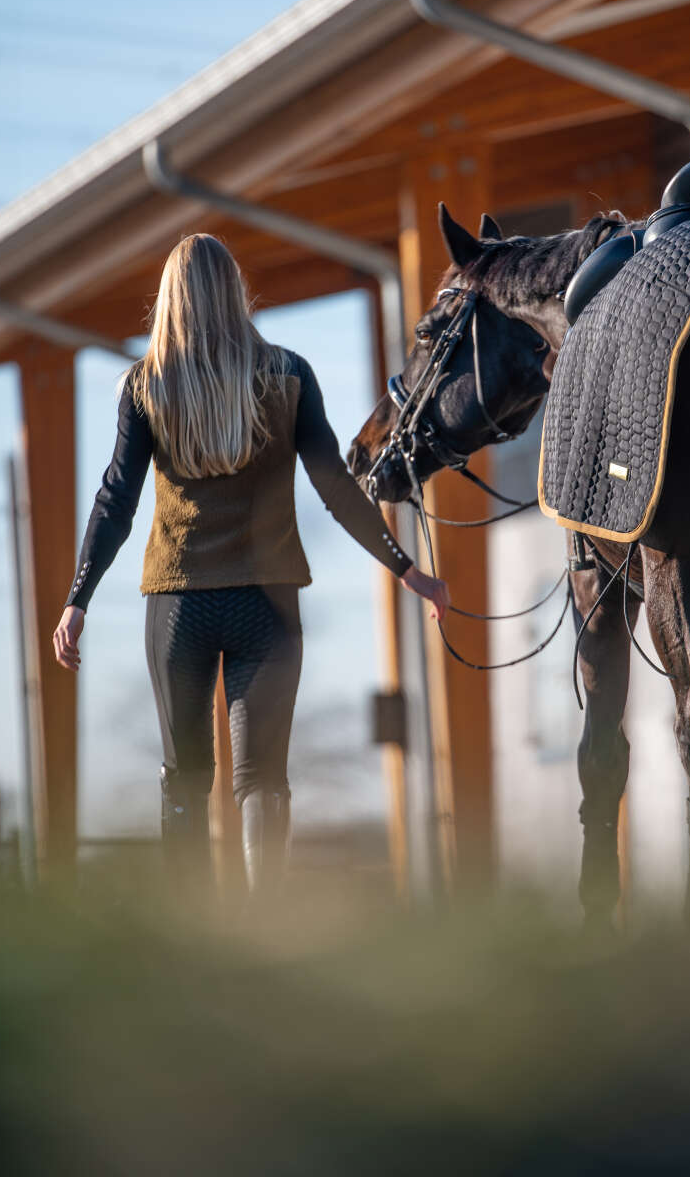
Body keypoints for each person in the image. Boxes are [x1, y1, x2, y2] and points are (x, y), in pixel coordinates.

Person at [52, 233, 447, 893]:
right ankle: (265, 925)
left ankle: (194, 939)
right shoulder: (288, 375)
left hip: (178, 605)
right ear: (235, 292)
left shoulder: (145, 385)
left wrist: (78, 596)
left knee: (184, 777)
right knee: (263, 779)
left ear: (170, 299)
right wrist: (406, 568)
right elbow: (335, 486)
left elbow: (115, 498)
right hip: (267, 605)